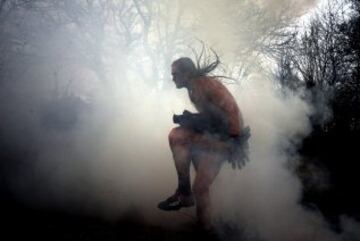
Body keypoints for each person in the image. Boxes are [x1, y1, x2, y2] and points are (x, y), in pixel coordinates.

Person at [158, 56, 250, 230]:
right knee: (200, 187)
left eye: (175, 74)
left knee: (177, 137)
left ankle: (187, 198)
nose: (173, 78)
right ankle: (201, 222)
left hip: (227, 138)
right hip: (215, 134)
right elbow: (213, 117)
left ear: (187, 73)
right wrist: (192, 120)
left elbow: (232, 109)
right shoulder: (193, 87)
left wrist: (235, 141)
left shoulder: (204, 84)